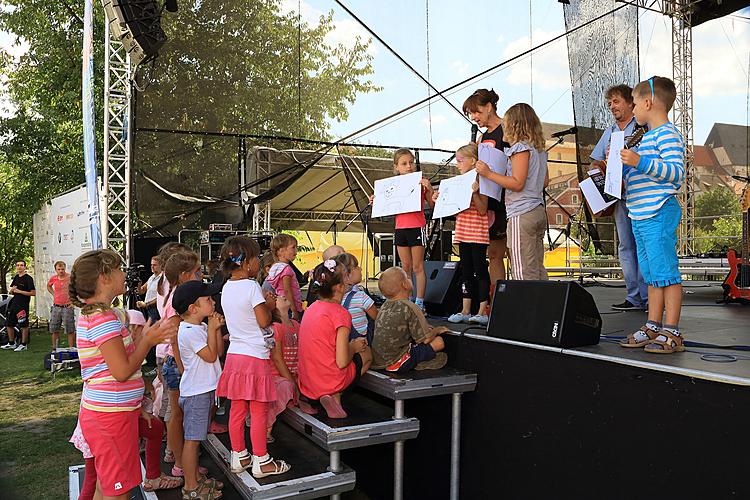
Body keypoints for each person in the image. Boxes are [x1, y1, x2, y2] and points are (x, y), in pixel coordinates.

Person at [70, 249, 176, 499]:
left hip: (112, 413)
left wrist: (134, 406)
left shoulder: (99, 315)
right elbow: (121, 371)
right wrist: (147, 341)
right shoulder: (103, 319)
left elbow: (109, 370)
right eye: (118, 269)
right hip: (111, 419)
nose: (123, 275)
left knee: (104, 486)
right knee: (119, 492)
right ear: (104, 277)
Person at [619, 76, 686, 354]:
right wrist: (617, 167)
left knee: (666, 273)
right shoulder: (644, 139)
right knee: (651, 274)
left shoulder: (667, 134)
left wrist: (638, 161)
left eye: (634, 103)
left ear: (648, 102)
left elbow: (676, 173)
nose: (632, 110)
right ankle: (653, 324)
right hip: (640, 214)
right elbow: (639, 176)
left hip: (659, 211)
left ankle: (672, 330)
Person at [216, 235, 291, 477]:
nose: (260, 261)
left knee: (237, 408)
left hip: (235, 355)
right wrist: (269, 305)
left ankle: (238, 455)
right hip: (255, 356)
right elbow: (263, 321)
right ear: (247, 262)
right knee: (258, 410)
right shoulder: (251, 287)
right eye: (257, 257)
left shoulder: (226, 287)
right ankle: (262, 459)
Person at [590, 84, 649, 311]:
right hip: (619, 195)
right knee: (626, 246)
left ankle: (647, 297)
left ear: (630, 103)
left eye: (616, 102)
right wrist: (600, 168)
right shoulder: (611, 131)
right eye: (609, 103)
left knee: (642, 243)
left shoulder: (643, 127)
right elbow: (595, 161)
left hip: (640, 193)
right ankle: (634, 296)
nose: (611, 106)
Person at [475, 103, 549, 280]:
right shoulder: (538, 149)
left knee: (522, 269)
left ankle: (526, 307)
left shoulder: (520, 148)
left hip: (521, 212)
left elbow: (517, 183)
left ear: (514, 125)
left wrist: (489, 173)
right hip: (537, 209)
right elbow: (545, 181)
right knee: (537, 266)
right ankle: (543, 305)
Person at [298, 260, 372, 419]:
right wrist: (354, 347)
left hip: (308, 381)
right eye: (346, 276)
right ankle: (336, 396)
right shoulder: (340, 314)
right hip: (330, 381)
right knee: (367, 354)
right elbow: (342, 361)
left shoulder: (311, 309)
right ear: (339, 287)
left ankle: (316, 397)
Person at [173, 280, 226, 499]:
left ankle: (195, 478)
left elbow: (219, 351)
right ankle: (191, 487)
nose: (212, 302)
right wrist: (213, 329)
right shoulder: (188, 331)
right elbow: (211, 356)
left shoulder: (200, 326)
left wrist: (214, 329)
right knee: (192, 442)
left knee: (197, 439)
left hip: (204, 390)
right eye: (207, 300)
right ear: (193, 308)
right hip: (196, 393)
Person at [370, 149, 434, 311]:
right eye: (404, 164)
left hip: (417, 227)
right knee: (405, 267)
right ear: (396, 167)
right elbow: (384, 205)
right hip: (400, 228)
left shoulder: (421, 182)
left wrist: (430, 190)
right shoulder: (392, 185)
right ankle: (407, 299)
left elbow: (433, 205)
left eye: (411, 163)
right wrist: (375, 201)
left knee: (418, 267)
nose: (409, 166)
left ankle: (420, 302)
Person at [434, 143, 491, 324]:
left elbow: (483, 210)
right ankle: (465, 309)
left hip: (478, 233)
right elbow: (451, 208)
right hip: (463, 232)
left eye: (460, 160)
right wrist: (439, 198)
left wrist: (474, 193)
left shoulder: (482, 181)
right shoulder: (457, 183)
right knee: (466, 270)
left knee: (480, 270)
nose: (457, 164)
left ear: (473, 161)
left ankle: (482, 310)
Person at [463, 88, 511, 286]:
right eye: (471, 113)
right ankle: (497, 299)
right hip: (490, 199)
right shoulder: (482, 137)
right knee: (494, 253)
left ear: (489, 107)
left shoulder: (507, 129)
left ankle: (519, 294)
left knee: (514, 252)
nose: (474, 117)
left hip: (509, 196)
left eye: (477, 111)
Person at [371, 267, 449, 372]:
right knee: (439, 342)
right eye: (407, 277)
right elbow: (425, 339)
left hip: (378, 361)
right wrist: (437, 330)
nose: (410, 278)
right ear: (405, 285)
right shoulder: (411, 307)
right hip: (397, 360)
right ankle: (417, 363)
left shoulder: (384, 306)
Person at [267, 293, 298, 443]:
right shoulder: (276, 328)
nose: (282, 295)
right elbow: (277, 359)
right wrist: (291, 380)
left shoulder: (296, 325)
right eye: (277, 297)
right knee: (284, 387)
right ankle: (266, 426)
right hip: (278, 375)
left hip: (294, 372)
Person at [335, 253, 378, 344]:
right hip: (363, 346)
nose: (360, 269)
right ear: (347, 275)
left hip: (342, 345)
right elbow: (378, 317)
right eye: (356, 267)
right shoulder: (361, 297)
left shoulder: (333, 299)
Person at [265, 234, 303, 320]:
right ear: (281, 251)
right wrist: (294, 311)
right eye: (293, 248)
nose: (296, 251)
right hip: (290, 307)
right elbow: (287, 291)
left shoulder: (276, 267)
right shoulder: (286, 269)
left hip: (281, 306)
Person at [2, 260, 35, 351]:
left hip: (22, 305)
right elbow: (12, 290)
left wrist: (20, 291)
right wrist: (12, 290)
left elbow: (33, 293)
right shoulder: (16, 277)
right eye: (18, 265)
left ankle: (23, 344)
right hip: (14, 304)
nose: (19, 267)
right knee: (9, 324)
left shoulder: (28, 278)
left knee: (23, 325)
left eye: (21, 265)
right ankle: (11, 343)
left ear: (25, 267)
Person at [47, 260, 75, 349]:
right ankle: (55, 348)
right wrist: (53, 293)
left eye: (62, 269)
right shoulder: (53, 278)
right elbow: (48, 286)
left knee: (70, 329)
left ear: (65, 268)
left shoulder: (70, 278)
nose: (61, 271)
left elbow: (76, 289)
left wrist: (73, 301)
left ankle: (71, 348)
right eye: (59, 269)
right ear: (56, 270)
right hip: (56, 306)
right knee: (54, 328)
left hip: (67, 306)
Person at [137, 256, 162, 323]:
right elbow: (141, 291)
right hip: (149, 308)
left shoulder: (162, 278)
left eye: (155, 265)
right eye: (151, 265)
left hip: (156, 309)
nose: (152, 267)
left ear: (161, 266)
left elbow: (161, 297)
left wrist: (146, 304)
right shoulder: (152, 277)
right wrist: (139, 285)